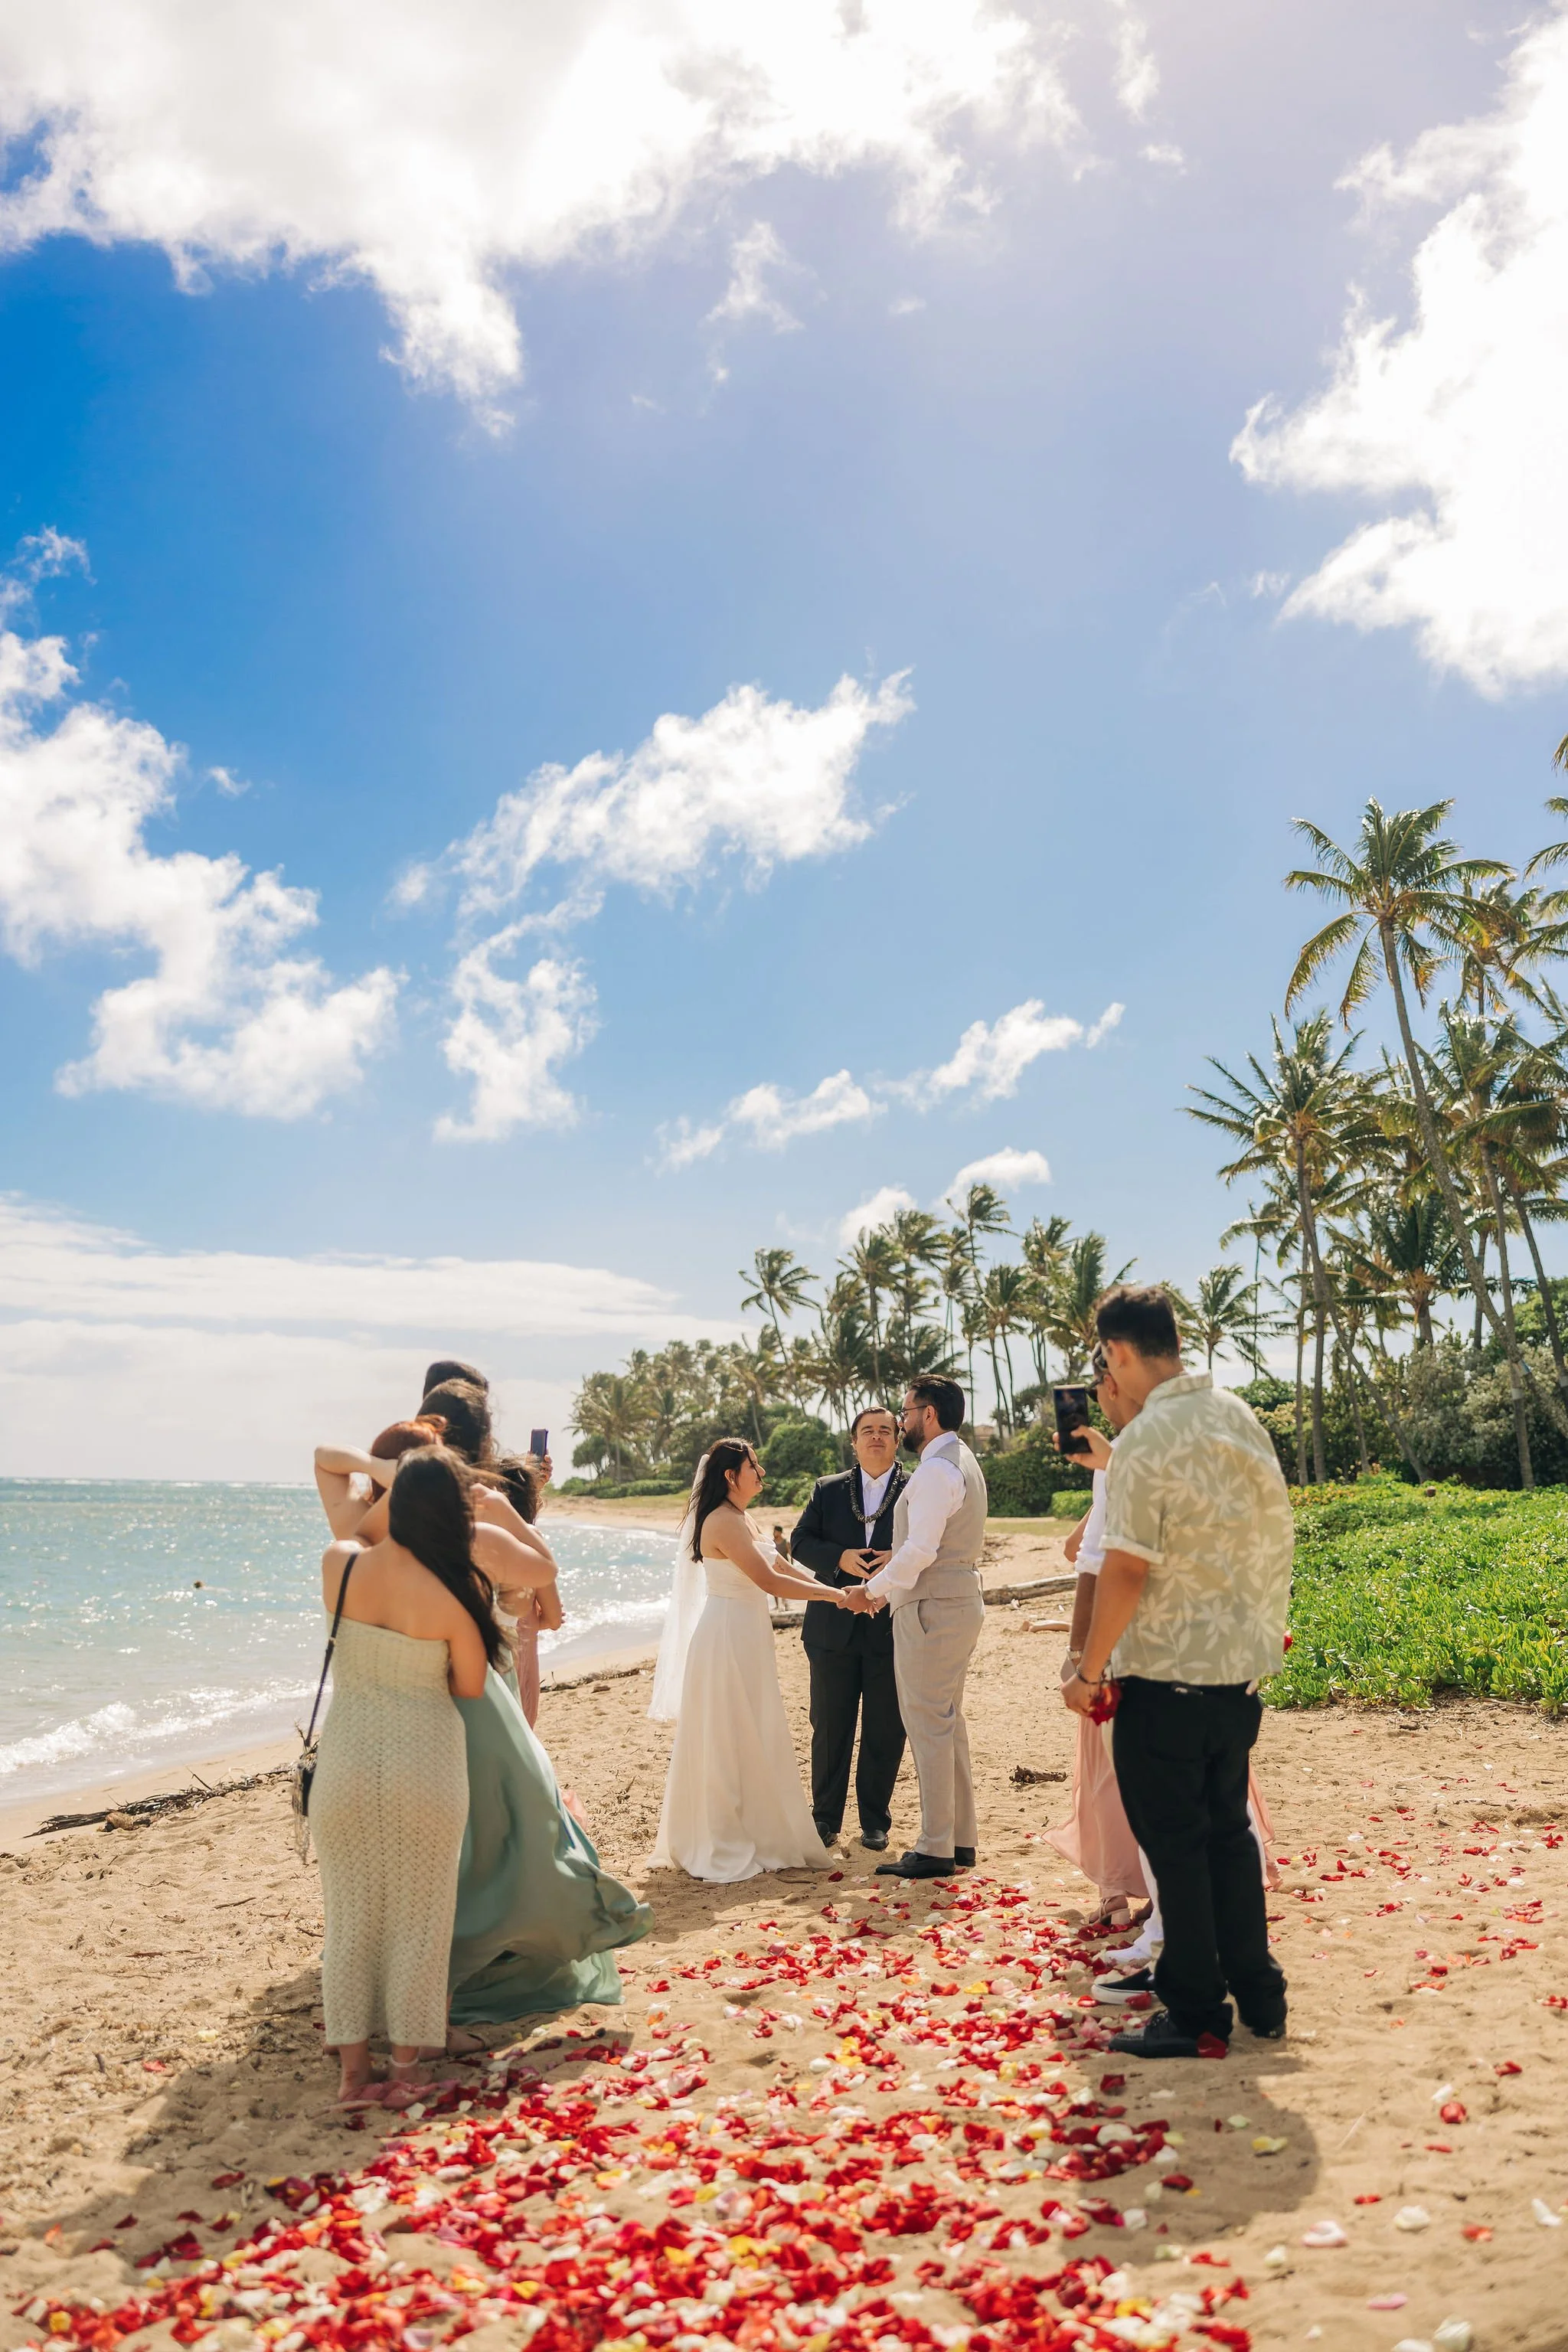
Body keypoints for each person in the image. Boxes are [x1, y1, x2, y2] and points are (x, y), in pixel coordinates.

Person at [1063, 1283, 1292, 2060]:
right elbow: (1274, 1531)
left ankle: (1194, 2007)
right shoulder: (1237, 1417)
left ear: (1119, 1352)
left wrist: (1088, 1669)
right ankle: (1258, 1991)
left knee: (1176, 1846)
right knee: (1227, 1834)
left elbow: (1124, 1569)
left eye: (1103, 1359)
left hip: (1163, 1676)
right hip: (1236, 1674)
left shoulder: (1147, 1440)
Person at [311, 1445, 514, 2107]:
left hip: (346, 1760)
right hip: (424, 1760)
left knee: (349, 1920)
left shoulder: (340, 1565)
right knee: (420, 1920)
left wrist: (395, 1474)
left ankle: (350, 2079)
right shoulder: (460, 1591)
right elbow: (471, 1688)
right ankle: (405, 2073)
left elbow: (346, 1491)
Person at [650, 1437, 874, 1882]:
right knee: (730, 1733)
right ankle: (723, 1833)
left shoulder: (743, 1518)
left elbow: (784, 1568)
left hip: (748, 1636)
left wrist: (836, 1587)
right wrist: (838, 1597)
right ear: (732, 1476)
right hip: (727, 1637)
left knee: (754, 1728)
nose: (762, 1474)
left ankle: (757, 1825)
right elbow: (769, 1581)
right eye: (755, 1466)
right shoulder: (722, 1522)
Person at [862, 1377, 989, 1883]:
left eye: (906, 1410)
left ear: (928, 1414)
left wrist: (873, 1590)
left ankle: (936, 1845)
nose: (901, 1419)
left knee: (929, 1726)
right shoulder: (961, 1461)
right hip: (955, 1601)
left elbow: (920, 1552)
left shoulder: (937, 1469)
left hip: (932, 1608)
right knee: (948, 1724)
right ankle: (960, 1838)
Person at [1045, 1357, 1148, 1926]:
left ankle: (1133, 1884)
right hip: (1110, 1606)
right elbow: (1086, 1550)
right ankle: (1118, 1880)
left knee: (1129, 1760)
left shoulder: (1145, 1446)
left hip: (1138, 1614)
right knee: (1108, 1758)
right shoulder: (1114, 1455)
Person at [789, 1405, 908, 1853]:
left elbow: (932, 1544)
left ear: (897, 1439)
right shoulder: (828, 1489)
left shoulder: (917, 1488)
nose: (875, 1437)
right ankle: (825, 1820)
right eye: (866, 1432)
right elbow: (800, 1541)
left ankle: (875, 1822)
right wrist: (838, 1558)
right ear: (854, 1442)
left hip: (893, 1629)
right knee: (830, 1726)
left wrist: (898, 1560)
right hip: (831, 1630)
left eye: (884, 1430)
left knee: (885, 1728)